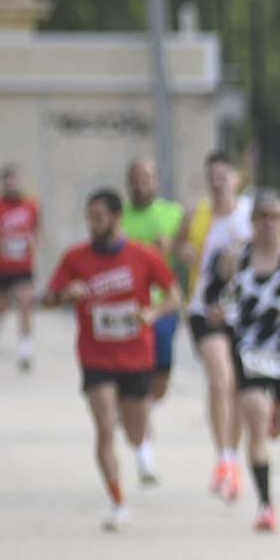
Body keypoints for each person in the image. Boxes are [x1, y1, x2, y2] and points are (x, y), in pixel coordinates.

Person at [40, 189, 179, 531]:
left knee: (134, 431)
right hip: (95, 355)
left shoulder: (143, 256)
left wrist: (153, 312)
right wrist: (63, 295)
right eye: (89, 217)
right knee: (104, 428)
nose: (93, 224)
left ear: (117, 218)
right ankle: (119, 502)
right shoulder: (75, 258)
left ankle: (141, 444)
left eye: (99, 218)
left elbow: (176, 296)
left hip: (136, 355)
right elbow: (48, 298)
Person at [200, 193, 280, 534]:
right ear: (253, 222)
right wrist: (216, 309)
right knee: (254, 421)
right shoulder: (235, 257)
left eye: (276, 217)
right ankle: (265, 505)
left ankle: (277, 415)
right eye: (263, 218)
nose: (269, 224)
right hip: (249, 351)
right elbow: (211, 291)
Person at [175, 150, 254, 500]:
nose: (219, 182)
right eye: (213, 176)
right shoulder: (197, 214)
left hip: (241, 312)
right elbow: (179, 243)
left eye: (225, 175)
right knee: (220, 378)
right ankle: (222, 455)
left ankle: (231, 460)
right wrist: (184, 252)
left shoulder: (251, 215)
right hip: (204, 308)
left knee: (236, 387)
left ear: (237, 179)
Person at [120, 158, 190, 485]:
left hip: (164, 308)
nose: (142, 183)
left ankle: (144, 410)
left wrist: (175, 246)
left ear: (156, 182)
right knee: (138, 377)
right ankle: (144, 456)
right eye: (136, 178)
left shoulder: (173, 214)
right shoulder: (119, 218)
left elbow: (189, 248)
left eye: (148, 177)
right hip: (132, 312)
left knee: (159, 383)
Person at [0, 164, 41, 370]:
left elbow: (38, 230)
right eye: (7, 181)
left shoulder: (31, 205)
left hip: (23, 265)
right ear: (2, 184)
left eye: (15, 180)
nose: (12, 185)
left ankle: (25, 349)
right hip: (1, 266)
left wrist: (33, 241)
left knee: (25, 303)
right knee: (1, 306)